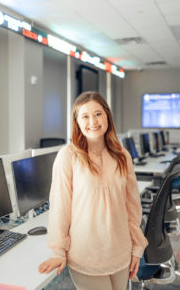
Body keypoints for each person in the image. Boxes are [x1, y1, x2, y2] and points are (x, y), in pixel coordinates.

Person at [38, 91, 148, 290]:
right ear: (77, 122)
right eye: (85, 116)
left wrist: (137, 247)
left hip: (120, 250)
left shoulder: (122, 155)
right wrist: (58, 251)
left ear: (107, 116)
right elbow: (60, 208)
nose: (93, 121)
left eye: (98, 114)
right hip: (86, 254)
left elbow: (132, 206)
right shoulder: (68, 156)